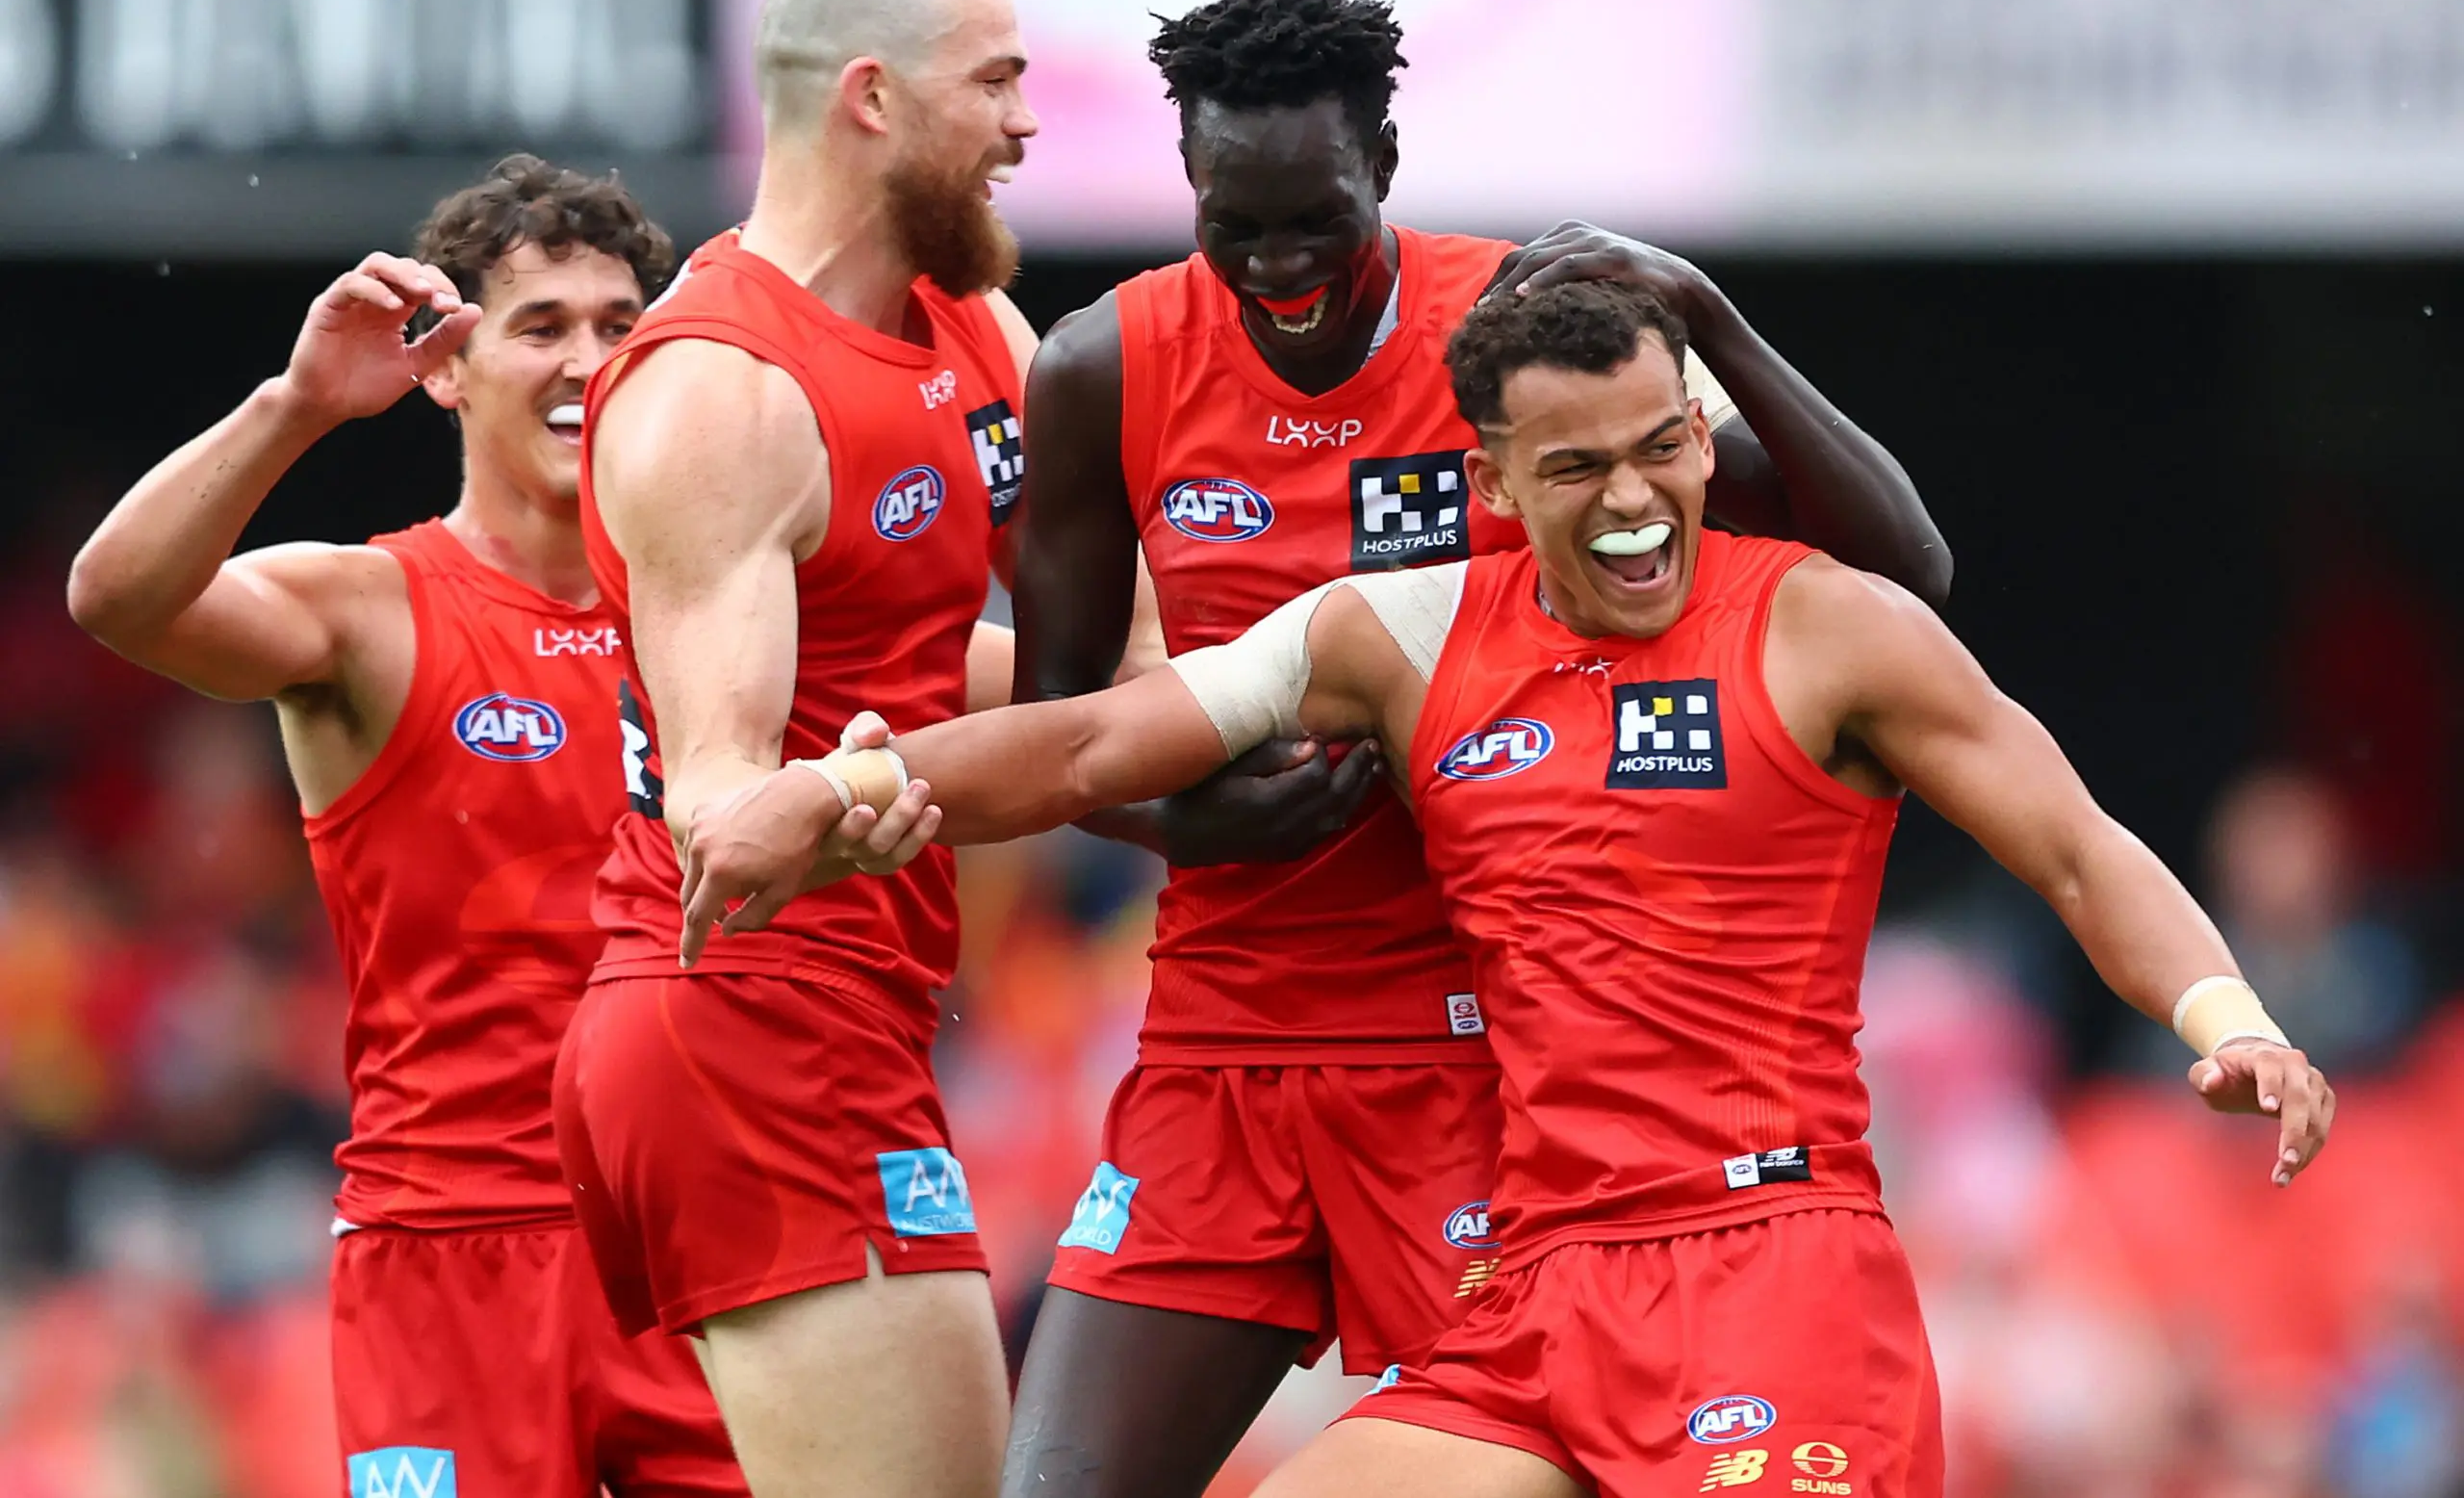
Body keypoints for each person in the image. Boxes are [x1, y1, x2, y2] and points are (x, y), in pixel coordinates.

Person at [682, 277, 2335, 1498]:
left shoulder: (1831, 623)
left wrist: (2227, 1010)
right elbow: (1099, 742)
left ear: (1703, 433)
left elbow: (2075, 842)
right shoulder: (1397, 636)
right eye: (1576, 470)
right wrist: (836, 788)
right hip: (1535, 1302)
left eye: (1661, 448)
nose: (1632, 504)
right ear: (1489, 482)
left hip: (1772, 1267)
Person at [999, 0, 1952, 1497]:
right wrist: (1199, 826)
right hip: (1222, 1044)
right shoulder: (1102, 367)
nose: (1277, 265)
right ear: (1185, 181)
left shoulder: (1524, 340)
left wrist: (1705, 314)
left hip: (1480, 1064)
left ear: (1384, 153)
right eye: (1232, 224)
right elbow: (1059, 731)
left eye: (1314, 215)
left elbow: (1900, 573)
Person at [64, 157, 752, 1496]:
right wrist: (299, 404)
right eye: (541, 324)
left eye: (622, 325)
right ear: (447, 368)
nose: (588, 359)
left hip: (698, 1242)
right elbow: (118, 598)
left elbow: (1028, 682)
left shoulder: (732, 613)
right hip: (451, 1245)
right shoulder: (370, 607)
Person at [552, 0, 1076, 1498]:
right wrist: (857, 794)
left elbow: (1079, 667)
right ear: (872, 97)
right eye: (995, 82)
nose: (1028, 123)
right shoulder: (726, 391)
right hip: (747, 1019)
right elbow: (723, 790)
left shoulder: (980, 330)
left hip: (846, 1015)